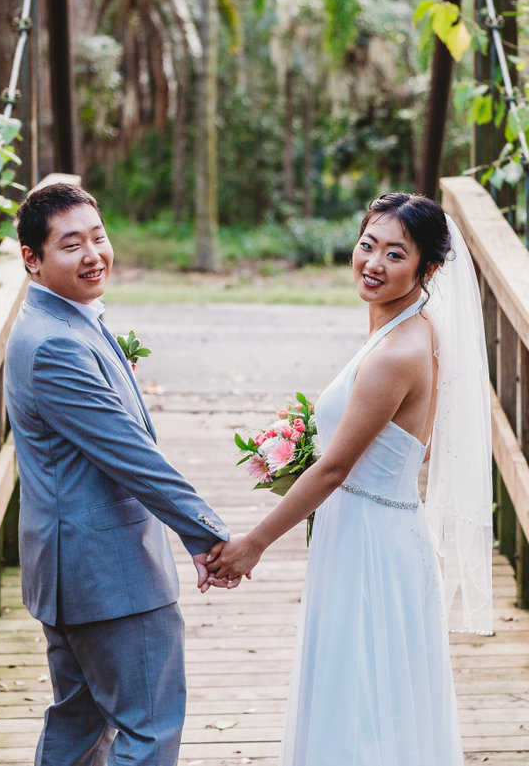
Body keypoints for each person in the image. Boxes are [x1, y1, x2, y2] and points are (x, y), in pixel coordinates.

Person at [207, 192, 494, 766]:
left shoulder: (397, 353)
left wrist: (252, 545)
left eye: (395, 254)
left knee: (362, 701)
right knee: (369, 697)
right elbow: (419, 442)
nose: (373, 263)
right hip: (373, 530)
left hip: (369, 544)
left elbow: (336, 468)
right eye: (368, 246)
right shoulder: (413, 330)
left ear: (428, 269)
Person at [4, 182, 235, 766]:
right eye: (70, 245)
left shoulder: (64, 320)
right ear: (32, 259)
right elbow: (132, 456)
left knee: (80, 726)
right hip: (108, 576)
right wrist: (209, 535)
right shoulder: (55, 344)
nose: (93, 255)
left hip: (72, 570)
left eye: (99, 237)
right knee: (149, 728)